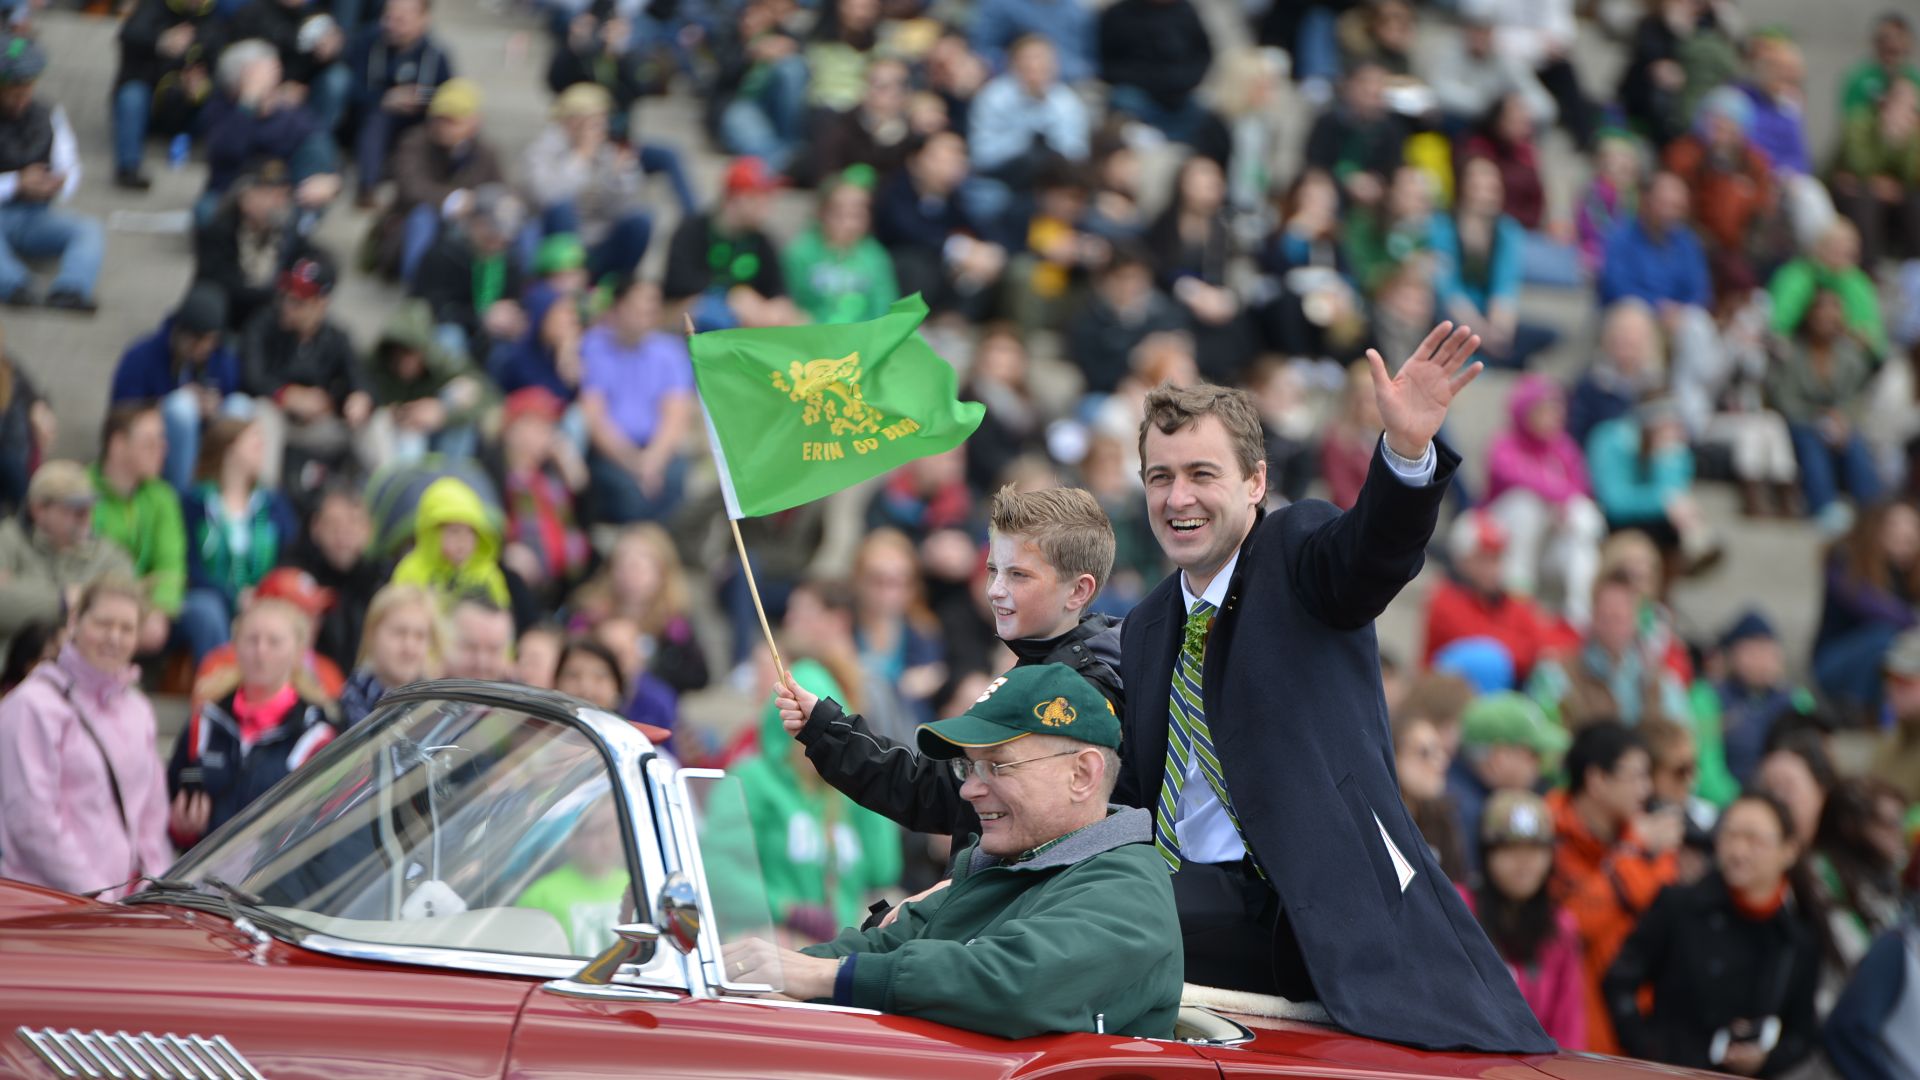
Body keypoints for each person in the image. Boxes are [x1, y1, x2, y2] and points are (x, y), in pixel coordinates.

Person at [1115, 326, 1552, 1051]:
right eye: (1159, 478)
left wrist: (1406, 451)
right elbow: (1139, 789)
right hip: (1175, 893)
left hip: (1297, 902)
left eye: (1201, 473)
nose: (1177, 497)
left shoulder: (1295, 551)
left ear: (1255, 482)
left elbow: (1373, 554)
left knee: (1107, 917)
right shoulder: (1147, 624)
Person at [731, 663, 1181, 1041]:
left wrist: (818, 977)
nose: (968, 789)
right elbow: (882, 944)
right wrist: (743, 974)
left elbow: (1015, 984)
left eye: (996, 766)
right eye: (968, 765)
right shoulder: (998, 865)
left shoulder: (1129, 886)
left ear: (1082, 774)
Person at [783, 485, 1122, 841]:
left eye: (1018, 575)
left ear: (1078, 591)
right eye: (994, 570)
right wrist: (826, 728)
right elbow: (937, 789)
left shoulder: (1084, 692)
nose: (995, 589)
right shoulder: (1036, 669)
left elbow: (1040, 836)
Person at [1603, 792, 1820, 1077]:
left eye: (1754, 840)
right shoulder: (1679, 906)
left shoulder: (1796, 940)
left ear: (1789, 850)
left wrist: (1765, 1059)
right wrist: (1648, 1048)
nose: (1738, 851)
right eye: (1730, 835)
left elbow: (1802, 1033)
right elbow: (1619, 981)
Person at [0, 576, 172, 900]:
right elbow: (31, 820)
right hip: (49, 906)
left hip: (122, 909)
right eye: (104, 623)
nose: (114, 638)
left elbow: (152, 815)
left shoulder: (138, 709)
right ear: (75, 621)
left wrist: (152, 889)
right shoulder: (32, 705)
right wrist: (96, 894)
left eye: (127, 628)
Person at [736, 655, 902, 941]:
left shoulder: (844, 790)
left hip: (840, 946)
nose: (811, 741)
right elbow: (721, 873)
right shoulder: (752, 779)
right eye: (802, 730)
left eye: (820, 730)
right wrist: (787, 911)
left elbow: (883, 870)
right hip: (771, 942)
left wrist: (867, 787)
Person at [1549, 720, 1682, 1055]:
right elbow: (1576, 922)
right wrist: (1632, 853)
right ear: (1596, 780)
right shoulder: (1548, 836)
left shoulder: (1639, 837)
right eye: (1636, 776)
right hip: (1571, 1032)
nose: (1646, 789)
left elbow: (1661, 909)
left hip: (1638, 1024)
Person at [167, 597, 336, 847]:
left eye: (274, 641)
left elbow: (323, 828)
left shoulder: (316, 735)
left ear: (299, 650)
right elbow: (171, 800)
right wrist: (182, 828)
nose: (260, 651)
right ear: (234, 646)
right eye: (251, 639)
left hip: (271, 879)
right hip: (202, 876)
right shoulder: (205, 722)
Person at [240, 255, 378, 489]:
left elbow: (362, 381)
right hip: (280, 422)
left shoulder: (336, 337)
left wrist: (359, 398)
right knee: (264, 411)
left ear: (321, 304)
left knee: (376, 423)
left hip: (321, 428)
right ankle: (266, 502)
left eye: (299, 302)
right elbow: (250, 377)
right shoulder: (264, 326)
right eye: (287, 297)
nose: (288, 306)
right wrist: (285, 394)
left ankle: (389, 497)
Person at [1467, 790, 1587, 1050]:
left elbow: (1569, 1029)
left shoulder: (1561, 927)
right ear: (1486, 854)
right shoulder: (1459, 909)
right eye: (1509, 848)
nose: (1524, 862)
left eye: (1536, 849)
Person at [1484, 375, 1605, 626]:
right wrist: (1554, 497)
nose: (1552, 416)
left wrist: (1561, 505)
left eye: (1555, 410)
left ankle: (1580, 614)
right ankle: (1517, 597)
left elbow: (1581, 489)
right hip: (1505, 538)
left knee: (1582, 516)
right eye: (1543, 410)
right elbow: (1509, 476)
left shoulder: (1565, 448)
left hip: (1551, 540)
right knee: (1525, 505)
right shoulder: (1505, 444)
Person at [0, 34, 103, 312]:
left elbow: (70, 166)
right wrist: (16, 184)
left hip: (36, 214)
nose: (22, 97)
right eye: (14, 90)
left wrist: (58, 183)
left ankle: (70, 290)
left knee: (88, 230)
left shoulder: (48, 113)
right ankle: (16, 287)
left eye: (27, 87)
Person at [110, 284, 247, 490]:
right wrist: (163, 405)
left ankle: (232, 498)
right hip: (159, 450)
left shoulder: (222, 358)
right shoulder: (142, 355)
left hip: (205, 447)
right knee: (181, 406)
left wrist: (213, 408)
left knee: (240, 406)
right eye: (196, 341)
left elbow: (230, 394)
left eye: (209, 341)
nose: (202, 349)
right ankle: (182, 501)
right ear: (180, 332)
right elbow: (120, 413)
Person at [580, 277, 694, 523]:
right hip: (613, 452)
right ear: (618, 307)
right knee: (625, 492)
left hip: (657, 451)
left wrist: (653, 461)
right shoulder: (594, 346)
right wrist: (633, 462)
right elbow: (594, 415)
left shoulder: (670, 351)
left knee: (675, 481)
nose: (646, 315)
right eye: (638, 307)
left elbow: (675, 414)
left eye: (651, 308)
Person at [1769, 290, 1884, 526]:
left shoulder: (1850, 355)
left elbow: (1857, 397)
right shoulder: (1792, 353)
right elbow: (1785, 398)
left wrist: (1842, 418)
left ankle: (1873, 509)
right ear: (1810, 316)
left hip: (1840, 422)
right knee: (1813, 441)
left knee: (1854, 442)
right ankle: (1823, 507)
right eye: (1821, 313)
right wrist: (1818, 416)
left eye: (1833, 314)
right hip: (1801, 422)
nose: (1826, 319)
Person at [0, 462, 135, 660]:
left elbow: (123, 607)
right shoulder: (8, 539)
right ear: (39, 510)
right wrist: (63, 601)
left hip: (83, 672)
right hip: (11, 673)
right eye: (76, 509)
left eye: (90, 507)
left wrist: (21, 590)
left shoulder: (110, 555)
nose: (86, 517)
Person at [522, 83, 654, 284]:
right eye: (592, 121)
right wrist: (580, 159)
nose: (600, 128)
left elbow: (624, 208)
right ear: (571, 122)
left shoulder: (608, 152)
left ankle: (617, 287)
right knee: (563, 208)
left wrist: (615, 178)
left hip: (599, 239)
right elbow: (548, 198)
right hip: (555, 241)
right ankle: (569, 282)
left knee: (641, 220)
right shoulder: (543, 151)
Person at [564, 523, 707, 695]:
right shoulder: (588, 616)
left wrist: (647, 671)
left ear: (662, 572)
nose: (631, 570)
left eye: (642, 562)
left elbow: (699, 677)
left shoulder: (674, 626)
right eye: (623, 561)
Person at [384, 78, 504, 281]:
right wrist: (453, 200)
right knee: (423, 217)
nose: (443, 126)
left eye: (452, 120)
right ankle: (416, 290)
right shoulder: (414, 142)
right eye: (439, 118)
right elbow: (411, 188)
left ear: (474, 121)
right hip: (408, 230)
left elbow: (500, 192)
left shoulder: (485, 153)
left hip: (466, 231)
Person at [1422, 511, 1565, 680]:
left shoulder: (1509, 602)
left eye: (1496, 559)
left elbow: (1541, 639)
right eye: (1483, 559)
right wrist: (1533, 653)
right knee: (1488, 663)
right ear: (1461, 561)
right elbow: (1489, 648)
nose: (1492, 569)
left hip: (1489, 694)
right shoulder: (1444, 598)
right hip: (1446, 692)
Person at [660, 156, 794, 330]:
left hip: (749, 320)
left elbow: (778, 290)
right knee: (713, 315)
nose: (768, 206)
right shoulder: (693, 230)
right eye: (760, 197)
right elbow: (678, 284)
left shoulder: (762, 241)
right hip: (690, 318)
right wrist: (730, 295)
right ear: (735, 198)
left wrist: (776, 308)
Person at [342, 0, 454, 206]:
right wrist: (384, 98)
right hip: (370, 122)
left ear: (423, 20)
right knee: (377, 119)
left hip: (419, 124)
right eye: (389, 18)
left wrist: (422, 97)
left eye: (401, 20)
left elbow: (451, 96)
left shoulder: (435, 55)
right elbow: (349, 89)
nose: (393, 25)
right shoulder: (367, 43)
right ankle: (367, 187)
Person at [1814, 500, 1920, 716]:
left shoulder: (1909, 575)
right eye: (1895, 526)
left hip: (1886, 661)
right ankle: (1861, 709)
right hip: (1832, 666)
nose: (1906, 533)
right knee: (1884, 635)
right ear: (1875, 527)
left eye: (1912, 527)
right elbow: (1872, 608)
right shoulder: (1844, 561)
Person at [365, 299, 494, 464]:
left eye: (411, 353)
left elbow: (489, 398)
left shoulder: (439, 361)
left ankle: (450, 478)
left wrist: (442, 412)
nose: (404, 361)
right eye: (399, 352)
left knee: (462, 393)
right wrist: (398, 413)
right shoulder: (374, 364)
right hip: (390, 439)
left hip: (435, 434)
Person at [111, 0, 223, 190]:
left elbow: (217, 57)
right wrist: (160, 40)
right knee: (132, 95)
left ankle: (221, 174)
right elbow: (128, 36)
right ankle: (128, 167)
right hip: (148, 100)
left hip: (185, 109)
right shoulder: (153, 7)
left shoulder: (214, 17)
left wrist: (202, 83)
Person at [1448, 690, 1566, 870]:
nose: (1540, 766)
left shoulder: (1467, 792)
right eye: (1533, 754)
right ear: (1499, 757)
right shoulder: (1464, 813)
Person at [282, 485, 384, 673]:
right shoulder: (293, 578)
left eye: (354, 523)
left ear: (368, 530)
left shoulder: (383, 582)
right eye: (334, 523)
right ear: (316, 526)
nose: (343, 533)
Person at [780, 174, 899, 326]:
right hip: (814, 336)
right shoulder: (801, 253)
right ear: (822, 213)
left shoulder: (875, 256)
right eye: (839, 214)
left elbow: (885, 307)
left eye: (857, 215)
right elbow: (791, 304)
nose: (848, 223)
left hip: (864, 338)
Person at [1096, 0, 1213, 145]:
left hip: (1180, 96)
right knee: (1124, 99)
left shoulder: (1186, 11)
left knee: (1205, 110)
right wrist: (1151, 81)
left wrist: (1182, 80)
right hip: (1139, 96)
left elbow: (1203, 55)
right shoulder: (1118, 14)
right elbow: (1107, 66)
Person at [389, 476, 510, 611]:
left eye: (471, 532)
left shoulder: (487, 575)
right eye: (454, 531)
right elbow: (400, 613)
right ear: (432, 534)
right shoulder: (411, 571)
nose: (463, 541)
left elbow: (500, 614)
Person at [337, 582, 440, 728]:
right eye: (399, 632)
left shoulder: (440, 713)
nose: (409, 647)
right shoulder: (338, 713)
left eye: (420, 636)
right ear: (371, 635)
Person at [1389, 705, 1467, 883]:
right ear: (1392, 757)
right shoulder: (1376, 826)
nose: (1442, 761)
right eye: (1425, 752)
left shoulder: (1442, 821)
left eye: (1440, 750)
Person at [441, 595, 513, 681]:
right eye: (471, 647)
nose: (482, 663)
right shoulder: (424, 690)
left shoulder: (524, 692)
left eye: (493, 650)